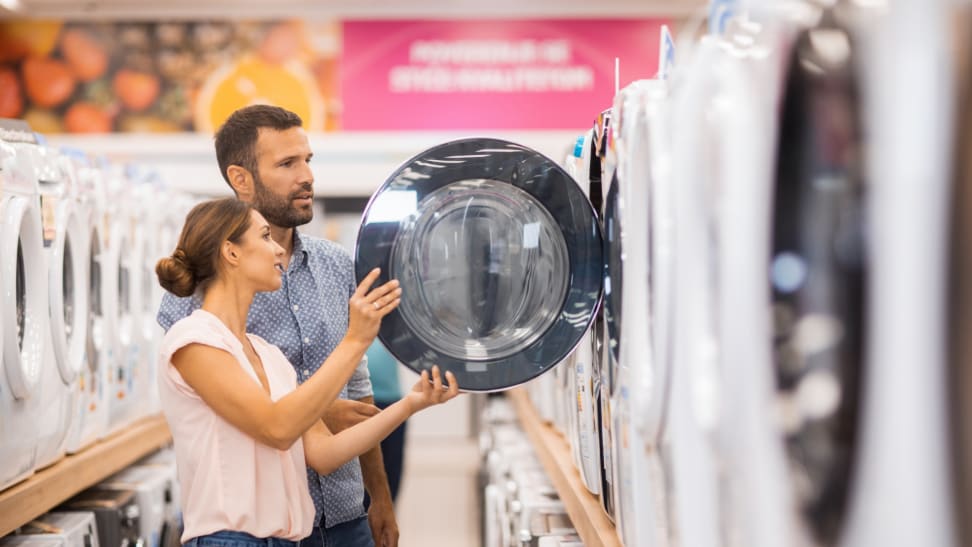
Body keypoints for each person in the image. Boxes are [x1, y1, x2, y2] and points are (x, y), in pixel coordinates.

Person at [158, 105, 398, 547]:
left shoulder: (335, 265)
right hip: (254, 523)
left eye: (308, 160)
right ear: (241, 178)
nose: (306, 175)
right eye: (287, 164)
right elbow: (214, 399)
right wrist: (323, 410)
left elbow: (357, 388)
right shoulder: (198, 293)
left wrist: (379, 495)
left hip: (345, 512)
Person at [156, 198, 459, 546]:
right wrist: (355, 341)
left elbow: (323, 455)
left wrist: (411, 404)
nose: (278, 252)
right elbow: (278, 427)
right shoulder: (194, 340)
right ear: (232, 252)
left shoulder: (269, 355)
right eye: (265, 237)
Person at [363, 341, 405, 503]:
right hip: (355, 401)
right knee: (363, 474)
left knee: (391, 474)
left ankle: (386, 517)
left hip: (390, 399)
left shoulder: (392, 320)